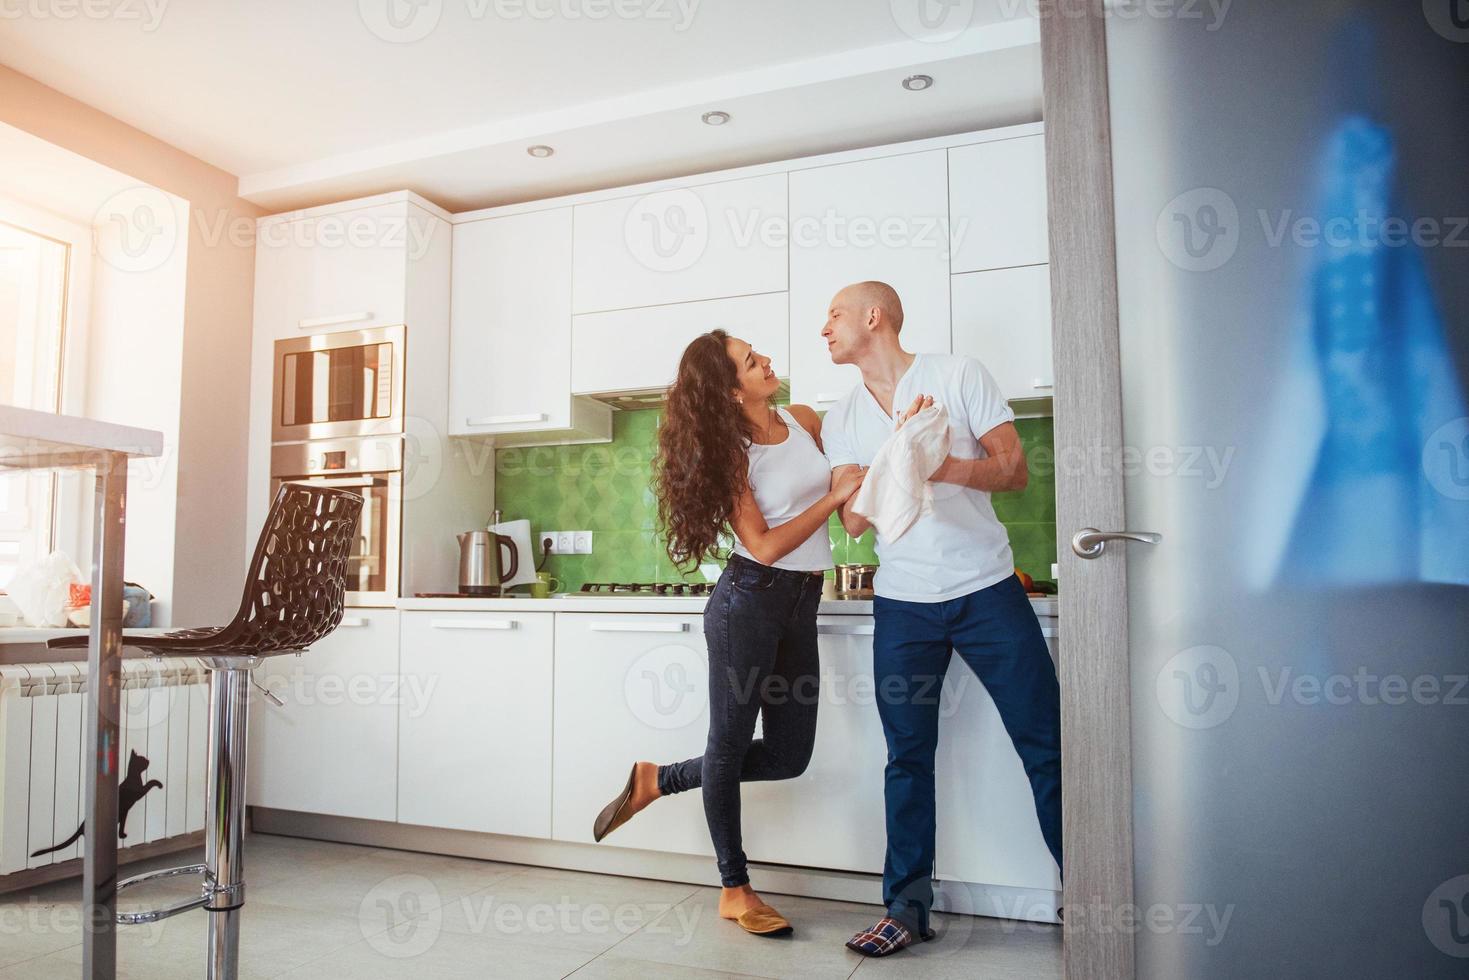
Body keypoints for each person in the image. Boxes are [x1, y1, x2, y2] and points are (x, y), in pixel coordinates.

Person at [590, 329, 864, 938]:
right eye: (750, 360)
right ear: (729, 389)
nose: (766, 359)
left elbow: (849, 484)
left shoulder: (803, 419)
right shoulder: (732, 451)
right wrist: (833, 499)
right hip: (749, 604)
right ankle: (734, 888)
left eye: (757, 351)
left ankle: (657, 779)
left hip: (801, 603)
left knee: (791, 755)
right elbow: (763, 545)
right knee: (731, 742)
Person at [819, 281, 1063, 957]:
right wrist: (890, 462)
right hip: (903, 604)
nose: (824, 328)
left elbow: (1012, 469)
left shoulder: (956, 374)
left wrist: (936, 461)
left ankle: (1096, 892)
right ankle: (906, 906)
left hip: (987, 590)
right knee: (906, 758)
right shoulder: (841, 417)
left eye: (833, 315)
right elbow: (854, 519)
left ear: (873, 317)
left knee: (1047, 746)